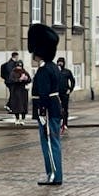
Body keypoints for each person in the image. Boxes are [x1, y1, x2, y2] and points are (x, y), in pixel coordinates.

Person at [29, 24, 63, 186]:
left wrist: (42, 112)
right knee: (52, 142)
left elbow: (43, 93)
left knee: (49, 143)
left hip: (47, 110)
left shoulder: (43, 70)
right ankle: (54, 174)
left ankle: (54, 175)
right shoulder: (53, 67)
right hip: (54, 107)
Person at [56, 57, 75, 130]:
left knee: (65, 109)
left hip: (64, 93)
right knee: (57, 108)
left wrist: (70, 89)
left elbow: (72, 80)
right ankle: (58, 123)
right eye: (59, 62)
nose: (60, 64)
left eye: (61, 62)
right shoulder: (55, 71)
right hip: (56, 93)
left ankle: (65, 123)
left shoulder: (67, 72)